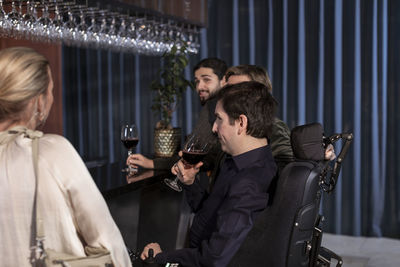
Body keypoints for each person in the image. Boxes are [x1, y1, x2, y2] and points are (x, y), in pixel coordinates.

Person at [0, 47, 131, 267]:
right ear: (38, 101)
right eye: (51, 90)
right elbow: (109, 243)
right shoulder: (53, 152)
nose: (52, 98)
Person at [140, 81, 278, 266]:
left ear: (241, 123)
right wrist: (190, 183)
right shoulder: (235, 162)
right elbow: (209, 211)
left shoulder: (249, 182)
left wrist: (161, 258)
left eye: (219, 119)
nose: (214, 128)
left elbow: (213, 259)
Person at [127, 57, 227, 172]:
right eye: (197, 81)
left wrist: (151, 163)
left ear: (224, 80)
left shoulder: (213, 104)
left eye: (207, 80)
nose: (199, 87)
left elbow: (194, 149)